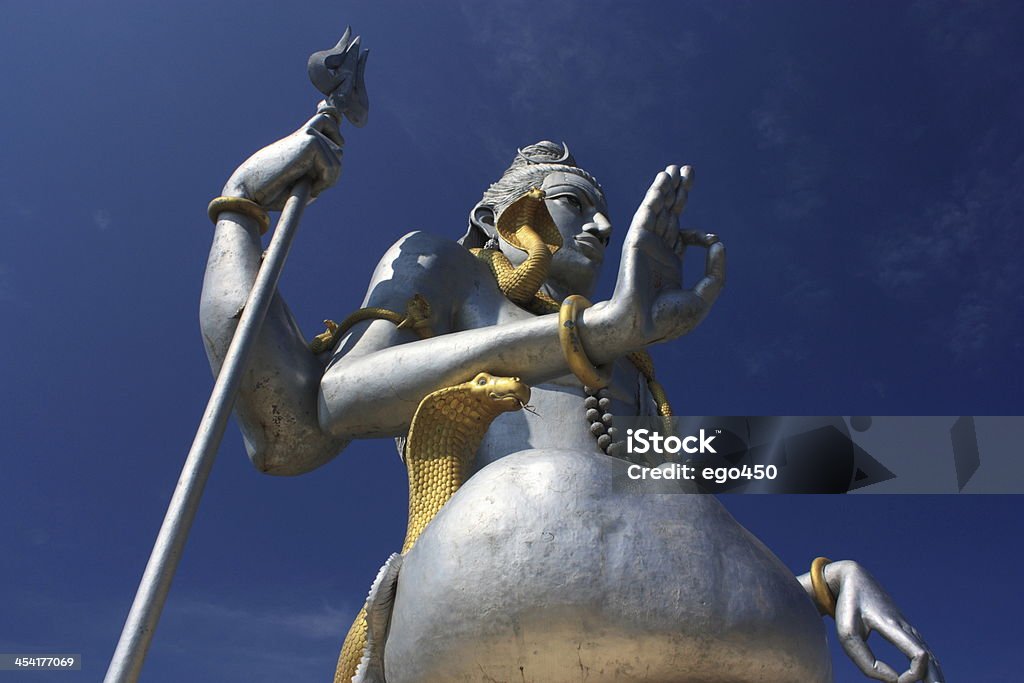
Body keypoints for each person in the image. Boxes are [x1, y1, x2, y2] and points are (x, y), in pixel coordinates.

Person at [200, 112, 943, 682]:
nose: (604, 224)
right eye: (574, 201)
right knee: (541, 486)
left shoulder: (631, 358)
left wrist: (820, 580)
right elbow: (305, 419)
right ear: (503, 214)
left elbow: (689, 512)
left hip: (700, 623)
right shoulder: (450, 270)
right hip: (507, 582)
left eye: (605, 210)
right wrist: (242, 208)